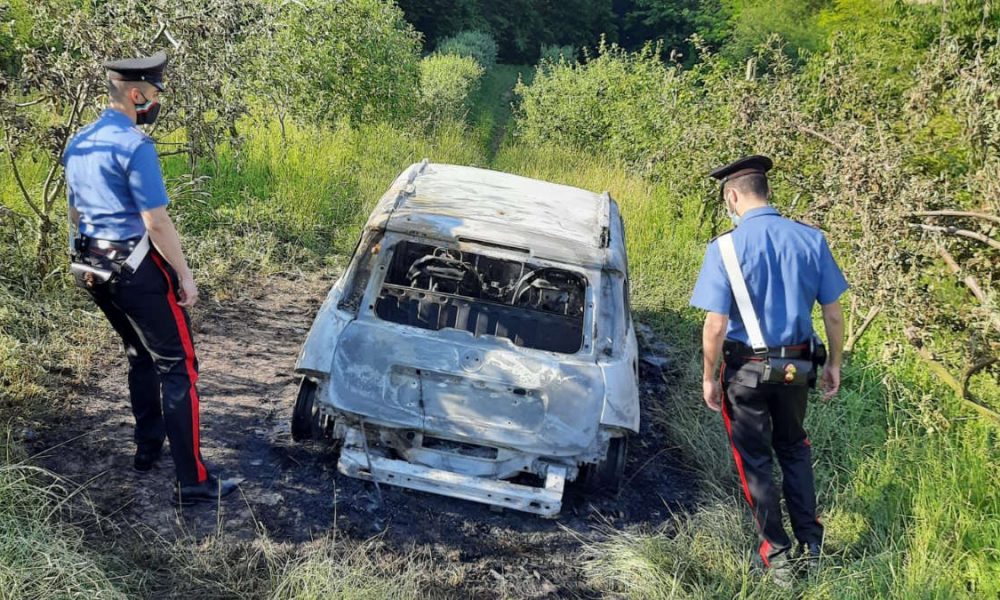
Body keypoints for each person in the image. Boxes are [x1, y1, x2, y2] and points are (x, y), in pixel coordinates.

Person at [62, 51, 237, 506]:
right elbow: (155, 222)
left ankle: (147, 449)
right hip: (135, 269)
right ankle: (193, 482)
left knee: (139, 353)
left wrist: (77, 253)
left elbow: (75, 211)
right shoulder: (135, 145)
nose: (157, 101)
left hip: (92, 268)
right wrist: (185, 275)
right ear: (137, 94)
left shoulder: (79, 142)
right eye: (155, 93)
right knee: (179, 367)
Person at [689, 155, 847, 584]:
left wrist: (708, 376)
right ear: (767, 191)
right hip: (797, 367)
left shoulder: (723, 248)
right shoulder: (811, 240)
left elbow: (716, 325)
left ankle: (776, 558)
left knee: (755, 461)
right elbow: (833, 314)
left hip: (746, 372)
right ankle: (811, 547)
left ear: (733, 195)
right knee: (795, 449)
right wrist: (834, 362)